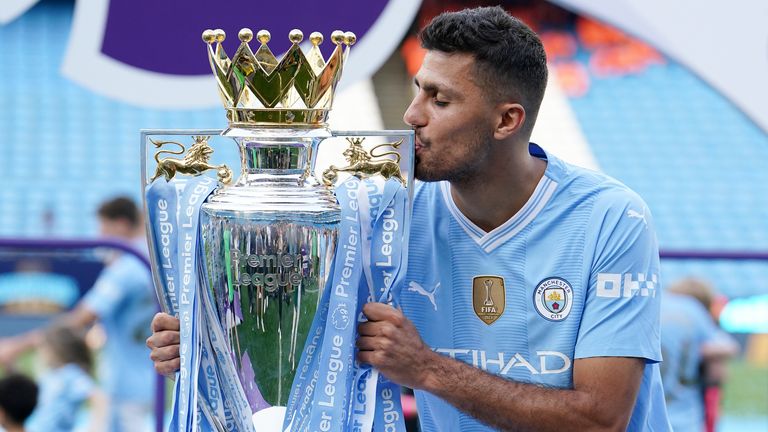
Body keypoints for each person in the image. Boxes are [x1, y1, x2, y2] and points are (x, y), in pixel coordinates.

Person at [148, 7, 671, 431]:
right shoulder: (388, 215)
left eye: (439, 100)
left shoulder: (610, 218)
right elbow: (305, 349)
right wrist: (213, 342)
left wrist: (426, 369)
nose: (411, 114)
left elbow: (600, 419)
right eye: (418, 89)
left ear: (507, 120)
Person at [0, 197, 156, 432]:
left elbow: (79, 319)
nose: (100, 237)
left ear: (121, 225)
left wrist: (18, 346)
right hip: (146, 375)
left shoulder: (127, 267)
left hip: (125, 384)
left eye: (103, 229)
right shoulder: (150, 257)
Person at [660, 278, 738, 432]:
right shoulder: (693, 310)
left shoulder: (656, 305)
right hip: (685, 416)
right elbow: (720, 368)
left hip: (647, 416)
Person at [25, 324, 106, 432]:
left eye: (44, 348)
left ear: (56, 350)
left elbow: (99, 397)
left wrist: (96, 427)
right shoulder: (48, 375)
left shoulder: (72, 373)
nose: (40, 353)